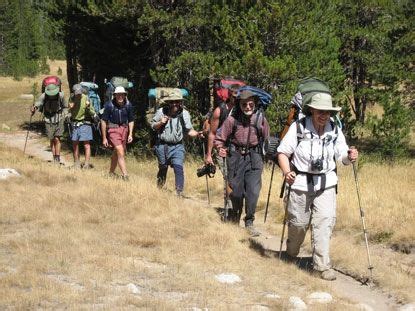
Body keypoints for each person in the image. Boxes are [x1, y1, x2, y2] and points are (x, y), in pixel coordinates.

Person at [277, 92, 358, 281]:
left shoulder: (335, 129)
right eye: (320, 111)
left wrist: (350, 157)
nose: (324, 115)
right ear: (312, 110)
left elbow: (342, 156)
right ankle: (291, 252)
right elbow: (282, 152)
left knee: (325, 222)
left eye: (328, 112)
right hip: (300, 184)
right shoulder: (299, 127)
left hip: (326, 183)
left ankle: (321, 266)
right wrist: (287, 171)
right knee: (298, 224)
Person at [214, 89, 270, 235]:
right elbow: (219, 138)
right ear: (239, 104)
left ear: (255, 104)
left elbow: (267, 139)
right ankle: (234, 216)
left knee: (253, 191)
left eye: (251, 104)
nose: (248, 107)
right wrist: (220, 148)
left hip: (255, 157)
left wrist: (272, 150)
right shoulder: (232, 120)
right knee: (236, 191)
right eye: (244, 104)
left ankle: (249, 222)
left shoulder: (260, 119)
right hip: (236, 157)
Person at [151, 89, 202, 196]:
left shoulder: (185, 114)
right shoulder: (161, 112)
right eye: (172, 101)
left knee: (178, 167)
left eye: (177, 101)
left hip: (178, 146)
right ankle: (159, 188)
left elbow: (189, 131)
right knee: (163, 167)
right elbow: (153, 126)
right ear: (168, 102)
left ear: (180, 102)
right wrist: (161, 122)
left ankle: (179, 192)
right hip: (162, 145)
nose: (174, 104)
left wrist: (198, 134)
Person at [100, 86, 135, 180]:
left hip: (124, 129)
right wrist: (104, 138)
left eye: (122, 95)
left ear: (125, 95)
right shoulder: (109, 105)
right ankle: (125, 175)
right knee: (120, 150)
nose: (120, 96)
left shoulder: (128, 105)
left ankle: (111, 173)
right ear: (114, 95)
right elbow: (103, 121)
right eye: (118, 95)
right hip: (113, 129)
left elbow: (131, 120)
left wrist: (130, 134)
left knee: (117, 153)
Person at [31, 83, 68, 164]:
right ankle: (54, 157)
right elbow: (38, 103)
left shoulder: (61, 96)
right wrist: (34, 108)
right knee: (52, 139)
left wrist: (65, 115)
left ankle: (57, 158)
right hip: (48, 119)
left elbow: (65, 106)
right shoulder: (44, 96)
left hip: (59, 118)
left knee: (57, 138)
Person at [68, 84, 98, 169]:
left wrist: (89, 108)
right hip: (75, 123)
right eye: (77, 93)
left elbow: (92, 111)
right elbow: (70, 111)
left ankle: (86, 164)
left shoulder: (86, 98)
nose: (78, 94)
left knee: (86, 145)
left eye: (80, 93)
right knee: (75, 144)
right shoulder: (71, 98)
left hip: (85, 123)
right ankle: (76, 163)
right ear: (74, 92)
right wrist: (70, 109)